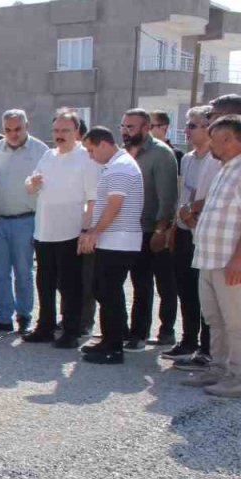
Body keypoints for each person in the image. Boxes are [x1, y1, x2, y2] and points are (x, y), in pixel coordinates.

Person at [23, 109, 98, 348]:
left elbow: (93, 199)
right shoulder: (48, 156)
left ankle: (71, 331)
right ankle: (45, 326)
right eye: (56, 130)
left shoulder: (87, 158)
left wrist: (86, 231)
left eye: (65, 130)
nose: (59, 135)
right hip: (44, 230)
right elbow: (31, 185)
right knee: (44, 282)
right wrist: (31, 184)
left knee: (70, 286)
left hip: (70, 232)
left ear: (77, 132)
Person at [182, 114, 241, 397]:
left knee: (236, 322)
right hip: (209, 259)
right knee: (215, 319)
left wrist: (238, 259)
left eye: (215, 138)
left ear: (229, 139)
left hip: (229, 262)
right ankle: (219, 368)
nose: (211, 144)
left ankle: (238, 376)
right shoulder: (225, 169)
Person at [78, 127, 145, 365]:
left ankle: (114, 347)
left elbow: (115, 204)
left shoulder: (121, 167)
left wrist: (94, 231)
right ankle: (109, 339)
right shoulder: (117, 165)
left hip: (120, 240)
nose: (90, 155)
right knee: (103, 290)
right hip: (113, 239)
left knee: (109, 292)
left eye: (91, 149)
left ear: (104, 144)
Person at [163, 106, 220, 365]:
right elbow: (182, 197)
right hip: (185, 232)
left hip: (206, 234)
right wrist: (176, 225)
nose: (187, 130)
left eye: (194, 125)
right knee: (184, 289)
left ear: (210, 127)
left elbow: (212, 198)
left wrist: (191, 212)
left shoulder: (218, 159)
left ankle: (207, 349)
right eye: (187, 124)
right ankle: (188, 341)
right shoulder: (186, 159)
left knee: (205, 293)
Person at [0, 109, 49, 334]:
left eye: (17, 129)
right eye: (8, 130)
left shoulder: (41, 151)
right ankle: (4, 317)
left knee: (23, 271)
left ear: (27, 126)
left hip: (26, 221)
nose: (13, 134)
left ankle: (24, 316)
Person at [121, 108, 180, 349]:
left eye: (130, 127)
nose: (125, 132)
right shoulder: (124, 153)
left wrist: (161, 230)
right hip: (133, 230)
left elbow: (168, 196)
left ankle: (167, 331)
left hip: (155, 229)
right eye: (123, 127)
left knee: (165, 284)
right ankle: (138, 334)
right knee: (140, 284)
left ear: (146, 128)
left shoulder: (161, 154)